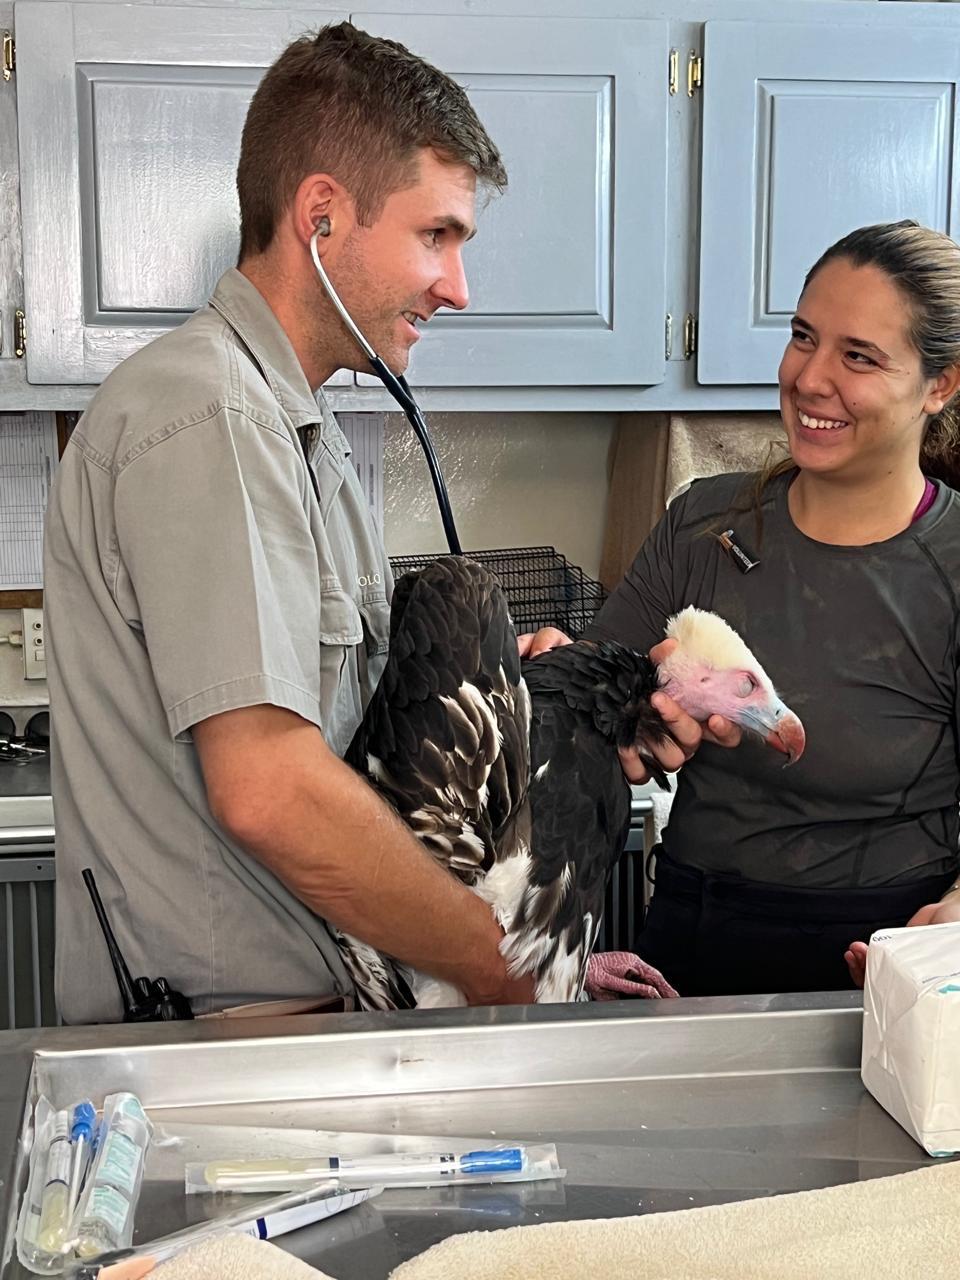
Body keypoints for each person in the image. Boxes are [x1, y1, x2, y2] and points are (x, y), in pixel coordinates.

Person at [44, 21, 719, 1023]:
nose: (458, 286)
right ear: (321, 215)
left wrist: (532, 710)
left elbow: (363, 754)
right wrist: (505, 965)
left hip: (327, 1014)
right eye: (435, 234)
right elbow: (270, 788)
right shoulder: (212, 418)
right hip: (240, 1043)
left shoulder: (300, 431)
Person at [586, 220, 960, 997]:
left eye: (858, 356)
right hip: (684, 945)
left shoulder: (951, 564)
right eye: (803, 337)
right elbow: (590, 735)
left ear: (941, 384)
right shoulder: (702, 526)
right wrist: (569, 689)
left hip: (881, 959)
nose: (809, 377)